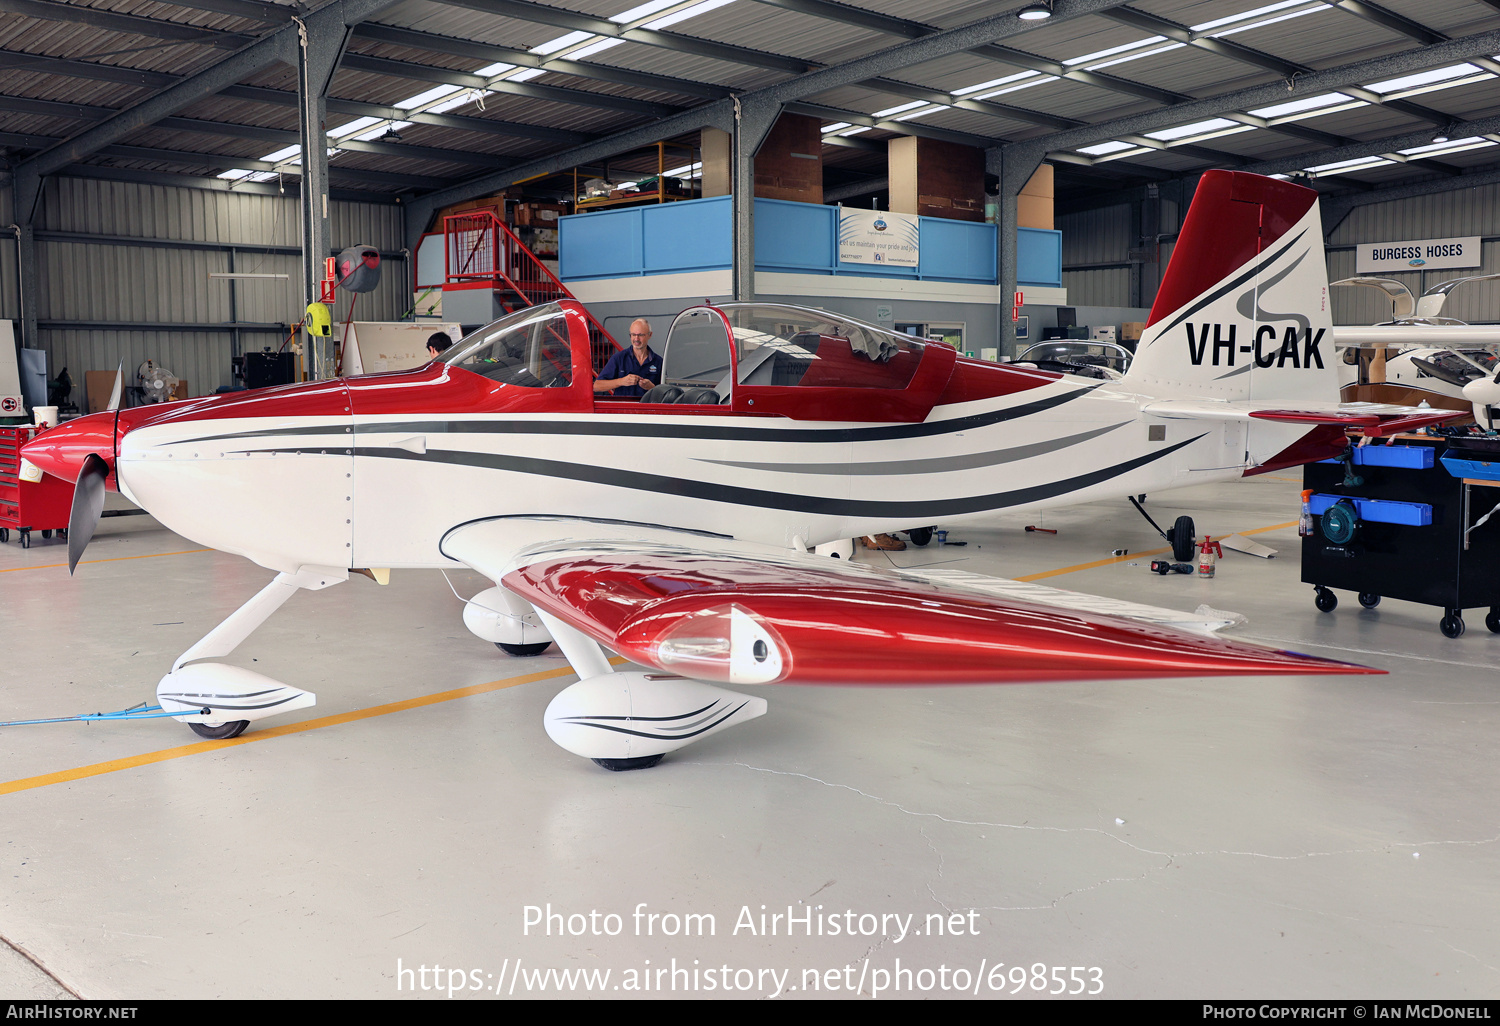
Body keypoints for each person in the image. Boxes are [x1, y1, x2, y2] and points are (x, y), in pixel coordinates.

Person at [594, 319, 661, 398]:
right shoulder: (618, 358)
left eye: (640, 335)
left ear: (650, 335)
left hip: (648, 409)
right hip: (623, 408)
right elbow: (596, 386)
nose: (636, 339)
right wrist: (621, 381)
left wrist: (652, 387)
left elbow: (666, 393)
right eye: (633, 335)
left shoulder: (659, 362)